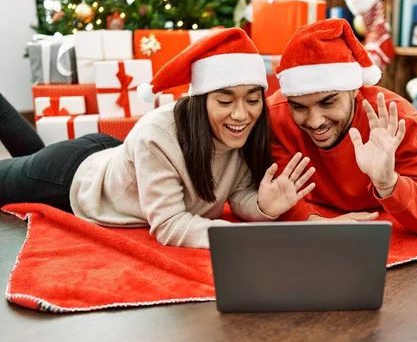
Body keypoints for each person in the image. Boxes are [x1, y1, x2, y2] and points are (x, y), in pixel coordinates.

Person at [0, 28, 316, 248]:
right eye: (224, 100)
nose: (241, 114)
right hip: (69, 178)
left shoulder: (248, 131)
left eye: (252, 99)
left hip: (113, 155)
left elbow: (237, 192)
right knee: (17, 171)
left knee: (27, 157)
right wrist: (242, 239)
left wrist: (264, 206)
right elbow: (169, 225)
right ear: (201, 100)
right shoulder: (159, 136)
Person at [268, 19, 417, 237]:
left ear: (355, 89)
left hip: (409, 116)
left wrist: (387, 181)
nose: (315, 121)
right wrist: (314, 222)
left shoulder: (403, 118)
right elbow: (278, 194)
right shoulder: (274, 117)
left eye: (328, 102)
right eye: (299, 107)